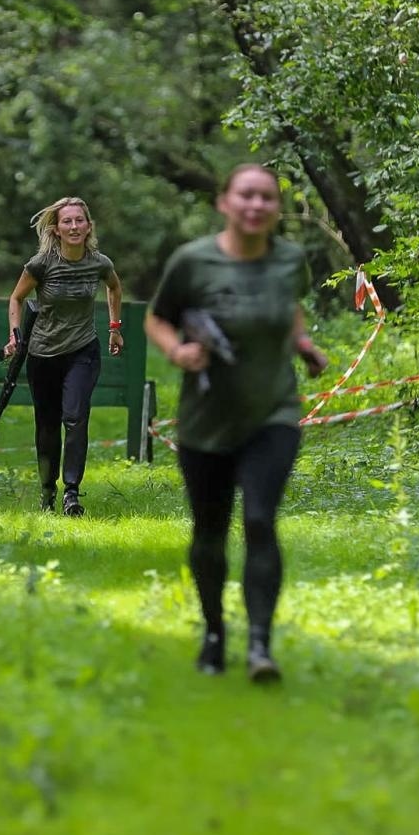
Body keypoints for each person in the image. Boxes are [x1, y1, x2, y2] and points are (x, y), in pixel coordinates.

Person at [144, 164, 329, 683]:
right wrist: (177, 351)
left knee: (260, 520)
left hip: (273, 413)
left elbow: (290, 308)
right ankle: (212, 634)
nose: (256, 206)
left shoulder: (290, 260)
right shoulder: (192, 262)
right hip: (206, 421)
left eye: (267, 198)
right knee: (210, 529)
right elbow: (157, 317)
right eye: (246, 196)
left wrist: (303, 343)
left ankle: (260, 646)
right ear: (224, 202)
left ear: (276, 208)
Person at [3, 196, 124, 517]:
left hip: (83, 350)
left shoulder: (100, 263)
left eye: (79, 221)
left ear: (88, 226)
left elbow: (114, 287)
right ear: (56, 229)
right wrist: (14, 335)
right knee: (46, 425)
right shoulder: (41, 264)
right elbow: (16, 298)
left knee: (75, 417)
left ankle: (72, 493)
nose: (74, 226)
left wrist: (114, 326)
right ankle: (47, 491)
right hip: (43, 354)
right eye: (67, 221)